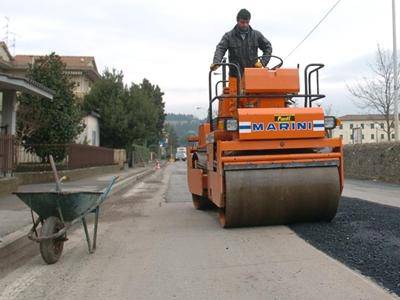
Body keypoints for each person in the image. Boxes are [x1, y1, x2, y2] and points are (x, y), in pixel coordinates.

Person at [211, 8, 273, 77]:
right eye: (242, 22)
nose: (245, 25)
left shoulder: (256, 35)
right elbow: (220, 49)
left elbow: (268, 47)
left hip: (253, 76)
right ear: (237, 21)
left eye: (247, 22)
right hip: (235, 76)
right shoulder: (228, 36)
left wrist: (262, 62)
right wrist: (216, 62)